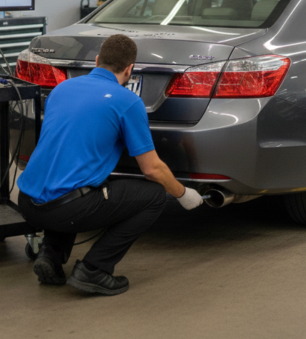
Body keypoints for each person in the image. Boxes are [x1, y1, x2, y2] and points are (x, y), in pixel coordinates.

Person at [17, 34, 203, 296]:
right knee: (153, 197)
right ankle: (95, 270)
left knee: (73, 180)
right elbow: (152, 169)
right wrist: (183, 194)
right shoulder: (127, 101)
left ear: (96, 61)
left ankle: (51, 255)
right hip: (67, 210)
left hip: (27, 201)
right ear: (130, 69)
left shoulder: (62, 89)